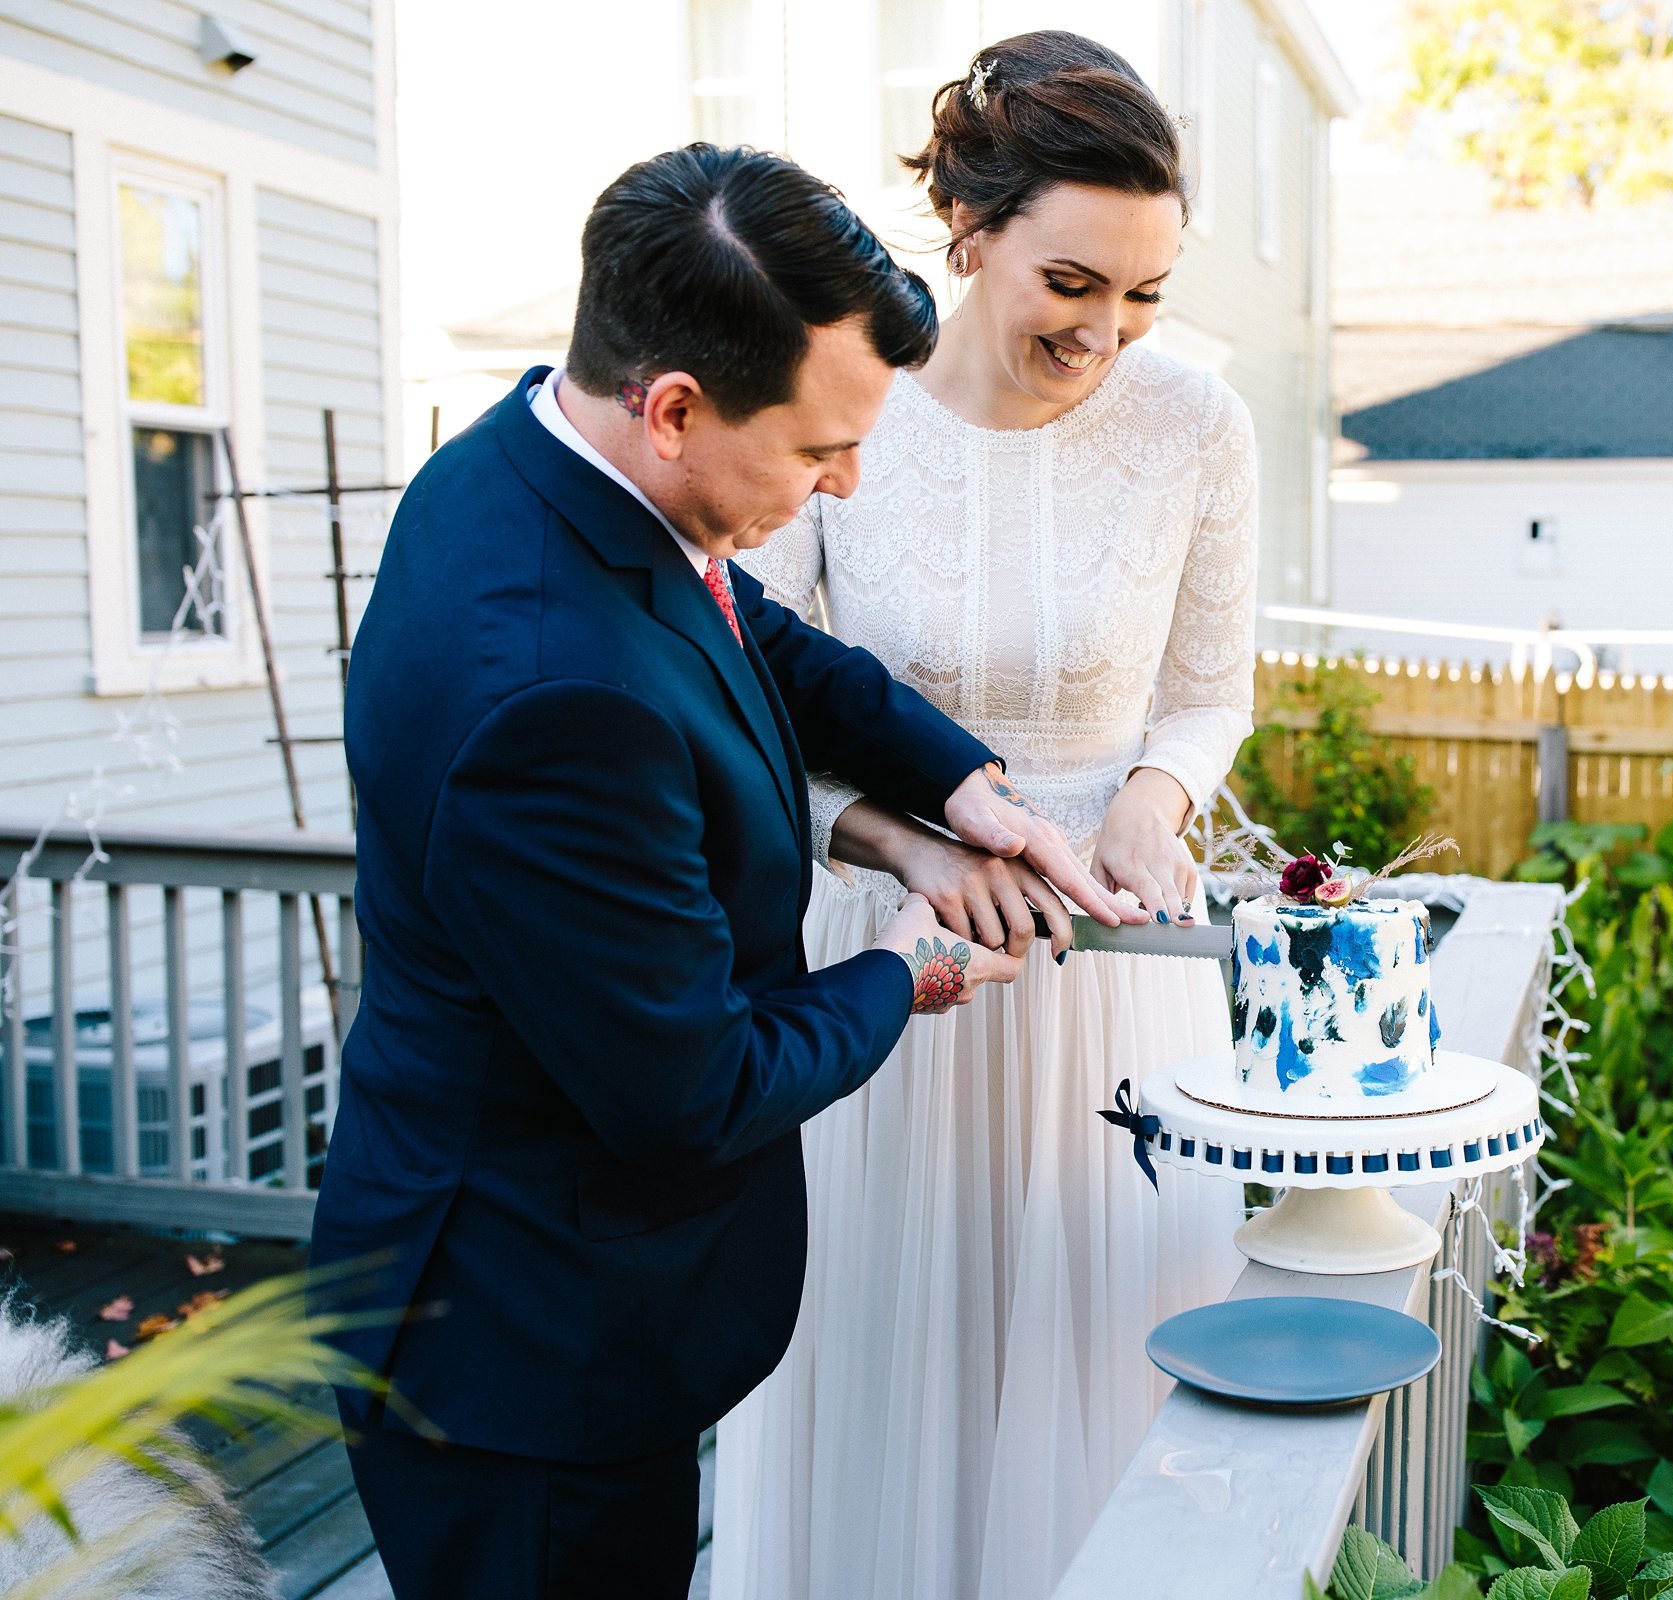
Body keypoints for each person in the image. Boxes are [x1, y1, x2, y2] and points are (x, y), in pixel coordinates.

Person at [310, 145, 1123, 1599]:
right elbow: (697, 1090)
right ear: (673, 406)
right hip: (521, 1355)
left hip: (542, 1287)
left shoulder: (536, 466)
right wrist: (910, 962)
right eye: (819, 454)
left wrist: (962, 792)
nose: (846, 484)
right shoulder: (555, 694)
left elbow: (760, 639)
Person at [711, 31, 1257, 1600]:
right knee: (888, 1339)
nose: (1110, 329)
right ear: (969, 239)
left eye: (1146, 293)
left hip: (1109, 961)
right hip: (892, 948)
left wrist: (1155, 803)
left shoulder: (1197, 427)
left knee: (1104, 1333)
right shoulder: (845, 416)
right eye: (1074, 283)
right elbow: (760, 710)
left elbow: (1209, 692)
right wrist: (909, 846)